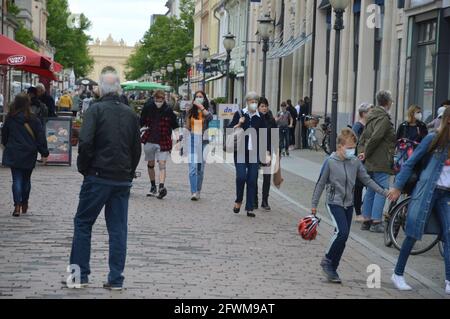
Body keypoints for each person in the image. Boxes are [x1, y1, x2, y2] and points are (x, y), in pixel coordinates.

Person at [68, 72, 141, 291]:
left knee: (83, 223)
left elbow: (86, 141)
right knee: (118, 230)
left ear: (100, 88)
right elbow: (136, 148)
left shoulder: (95, 110)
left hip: (98, 176)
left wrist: (84, 168)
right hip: (121, 179)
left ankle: (79, 276)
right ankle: (116, 278)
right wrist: (129, 172)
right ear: (118, 89)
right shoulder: (130, 114)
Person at [311, 128, 389, 283]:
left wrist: (384, 192)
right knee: (342, 232)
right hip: (334, 202)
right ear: (340, 146)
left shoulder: (355, 162)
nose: (352, 151)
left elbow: (367, 180)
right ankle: (327, 259)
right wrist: (314, 205)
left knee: (343, 237)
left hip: (348, 204)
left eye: (354, 147)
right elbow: (320, 183)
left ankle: (333, 268)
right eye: (349, 148)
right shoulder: (330, 162)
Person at [388, 107, 450, 294]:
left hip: (445, 195)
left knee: (449, 234)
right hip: (427, 192)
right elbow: (411, 162)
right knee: (413, 232)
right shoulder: (433, 139)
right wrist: (398, 187)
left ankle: (449, 280)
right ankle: (398, 273)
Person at [1, 94, 49, 217]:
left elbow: (4, 135)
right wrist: (44, 152)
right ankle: (24, 202)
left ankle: (16, 205)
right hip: (29, 153)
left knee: (16, 179)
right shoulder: (33, 119)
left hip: (14, 152)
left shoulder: (11, 118)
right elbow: (40, 137)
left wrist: (8, 145)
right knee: (26, 179)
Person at [358, 90, 396, 233]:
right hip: (380, 160)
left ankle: (367, 220)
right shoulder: (383, 119)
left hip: (371, 161)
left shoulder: (371, 116)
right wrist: (365, 153)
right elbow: (376, 138)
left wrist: (362, 153)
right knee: (382, 190)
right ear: (387, 102)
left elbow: (363, 138)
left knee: (371, 190)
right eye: (391, 100)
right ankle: (376, 222)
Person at [228, 91, 269, 218]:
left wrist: (266, 152)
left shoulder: (260, 117)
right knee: (241, 177)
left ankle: (250, 207)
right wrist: (239, 123)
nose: (254, 104)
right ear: (247, 102)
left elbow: (264, 136)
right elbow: (229, 130)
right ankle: (239, 200)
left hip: (254, 153)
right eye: (252, 102)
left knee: (252, 179)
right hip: (240, 151)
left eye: (256, 102)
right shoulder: (239, 114)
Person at [140, 90, 179, 199]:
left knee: (162, 164)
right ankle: (153, 186)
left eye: (161, 100)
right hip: (149, 139)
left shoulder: (168, 110)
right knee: (151, 164)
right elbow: (141, 121)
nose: (159, 102)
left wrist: (177, 135)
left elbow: (174, 124)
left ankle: (161, 187)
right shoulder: (148, 107)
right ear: (154, 99)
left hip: (163, 140)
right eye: (157, 100)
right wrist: (140, 129)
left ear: (164, 100)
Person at [185, 91, 212, 200]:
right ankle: (194, 192)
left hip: (203, 141)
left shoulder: (207, 110)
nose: (199, 98)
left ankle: (198, 189)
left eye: (201, 97)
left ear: (204, 99)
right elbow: (187, 126)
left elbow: (210, 118)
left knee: (200, 169)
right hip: (192, 139)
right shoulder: (190, 110)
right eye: (197, 97)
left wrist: (201, 107)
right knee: (192, 168)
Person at [255, 97, 277, 210]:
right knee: (253, 176)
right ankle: (254, 199)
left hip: (267, 151)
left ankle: (265, 200)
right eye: (262, 106)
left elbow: (274, 137)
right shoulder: (254, 118)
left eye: (266, 106)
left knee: (267, 176)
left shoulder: (271, 120)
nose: (264, 108)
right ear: (258, 107)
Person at [352, 102, 372, 222]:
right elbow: (354, 143)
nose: (371, 113)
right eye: (370, 111)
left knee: (367, 186)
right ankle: (358, 213)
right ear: (363, 113)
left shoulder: (368, 126)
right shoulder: (358, 126)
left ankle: (364, 210)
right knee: (358, 187)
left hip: (366, 161)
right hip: (359, 161)